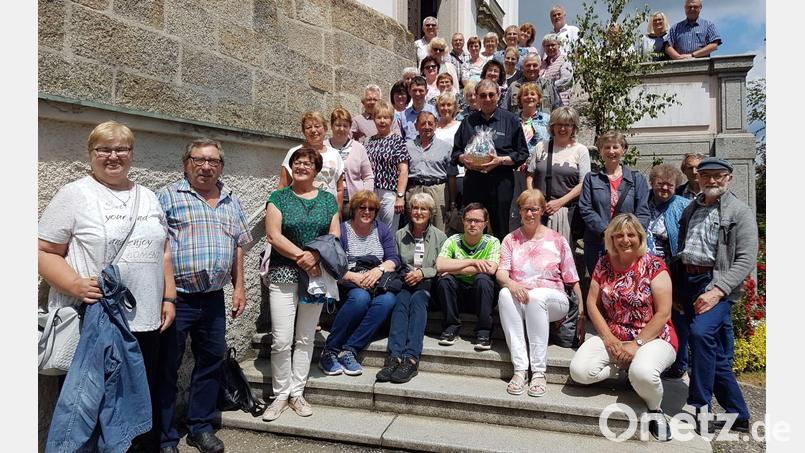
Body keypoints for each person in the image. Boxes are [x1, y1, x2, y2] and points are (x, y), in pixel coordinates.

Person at [39, 121, 175, 453]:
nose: (113, 156)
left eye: (121, 149)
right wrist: (73, 282)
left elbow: (164, 250)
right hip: (95, 322)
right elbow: (42, 250)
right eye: (103, 149)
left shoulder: (148, 197)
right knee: (89, 408)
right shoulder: (75, 194)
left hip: (145, 323)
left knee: (136, 405)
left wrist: (169, 296)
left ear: (131, 154)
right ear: (91, 154)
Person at [158, 138, 251, 453]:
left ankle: (200, 427)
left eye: (213, 161)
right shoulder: (168, 197)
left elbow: (238, 244)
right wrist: (166, 297)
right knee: (167, 366)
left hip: (213, 298)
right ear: (186, 162)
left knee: (211, 362)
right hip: (176, 299)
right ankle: (165, 436)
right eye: (199, 159)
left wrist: (239, 286)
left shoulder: (230, 199)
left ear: (221, 166)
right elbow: (156, 248)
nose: (206, 166)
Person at [570, 214, 677, 442]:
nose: (625, 239)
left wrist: (637, 345)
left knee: (643, 374)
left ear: (640, 237)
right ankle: (625, 369)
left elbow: (663, 313)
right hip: (616, 334)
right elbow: (592, 304)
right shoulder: (604, 263)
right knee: (579, 371)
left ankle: (655, 409)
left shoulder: (654, 265)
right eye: (619, 235)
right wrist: (609, 339)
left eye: (630, 234)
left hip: (653, 337)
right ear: (611, 238)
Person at [675, 157, 756, 435]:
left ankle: (699, 408)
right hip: (689, 280)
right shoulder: (691, 208)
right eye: (706, 175)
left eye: (718, 176)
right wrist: (677, 288)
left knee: (699, 336)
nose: (712, 180)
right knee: (716, 355)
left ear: (729, 178)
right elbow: (682, 247)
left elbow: (745, 259)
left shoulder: (739, 212)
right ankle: (739, 415)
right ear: (698, 177)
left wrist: (718, 290)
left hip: (716, 283)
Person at [261, 148, 341, 422]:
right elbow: (273, 235)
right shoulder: (278, 197)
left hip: (315, 277)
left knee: (306, 338)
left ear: (317, 169)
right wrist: (302, 257)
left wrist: (315, 256)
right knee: (282, 340)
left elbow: (334, 234)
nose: (302, 166)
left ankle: (297, 392)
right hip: (284, 273)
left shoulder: (329, 200)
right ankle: (280, 394)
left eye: (308, 163)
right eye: (297, 162)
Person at [497, 190, 582, 397]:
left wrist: (581, 313)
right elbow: (501, 272)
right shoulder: (510, 239)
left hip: (554, 300)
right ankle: (519, 369)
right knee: (504, 294)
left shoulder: (558, 240)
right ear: (519, 211)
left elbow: (573, 278)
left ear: (543, 210)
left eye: (534, 209)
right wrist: (511, 284)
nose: (530, 213)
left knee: (536, 297)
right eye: (525, 209)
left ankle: (538, 372)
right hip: (522, 298)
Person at [318, 190, 401, 376]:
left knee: (387, 301)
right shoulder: (342, 230)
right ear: (354, 209)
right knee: (360, 298)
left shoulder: (382, 229)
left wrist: (378, 270)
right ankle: (330, 350)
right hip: (349, 281)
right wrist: (353, 277)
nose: (367, 212)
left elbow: (394, 259)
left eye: (371, 208)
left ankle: (350, 350)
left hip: (376, 280)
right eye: (362, 207)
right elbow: (332, 265)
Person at [376, 193, 448, 384]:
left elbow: (442, 264)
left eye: (423, 209)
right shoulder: (399, 234)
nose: (418, 212)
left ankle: (411, 359)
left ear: (431, 213)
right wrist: (407, 274)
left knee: (418, 300)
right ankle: (394, 357)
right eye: (415, 208)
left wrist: (423, 273)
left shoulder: (440, 236)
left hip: (429, 286)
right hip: (406, 282)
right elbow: (395, 261)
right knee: (400, 302)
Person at [452, 79, 529, 240]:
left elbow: (522, 153)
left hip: (501, 182)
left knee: (500, 225)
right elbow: (455, 153)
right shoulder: (468, 122)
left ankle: (501, 260)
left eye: (491, 95)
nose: (487, 99)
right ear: (477, 98)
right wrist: (464, 159)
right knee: (473, 224)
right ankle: (474, 260)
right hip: (474, 182)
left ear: (499, 96)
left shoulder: (510, 120)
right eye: (483, 95)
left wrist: (500, 160)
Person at [578, 131, 651, 276]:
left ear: (623, 150)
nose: (611, 151)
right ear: (600, 151)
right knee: (599, 285)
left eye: (615, 147)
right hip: (597, 243)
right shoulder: (591, 179)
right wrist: (606, 232)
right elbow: (585, 208)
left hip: (627, 244)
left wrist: (628, 235)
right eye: (606, 147)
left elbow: (643, 212)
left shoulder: (637, 179)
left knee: (626, 285)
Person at [645, 164, 691, 380]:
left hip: (673, 268)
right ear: (652, 183)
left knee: (676, 315)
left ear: (676, 186)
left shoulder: (684, 206)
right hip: (644, 268)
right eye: (660, 183)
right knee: (649, 314)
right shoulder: (643, 202)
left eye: (669, 184)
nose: (664, 188)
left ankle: (679, 362)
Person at [436, 203, 501, 350]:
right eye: (468, 220)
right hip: (458, 295)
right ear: (463, 221)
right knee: (445, 280)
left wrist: (453, 268)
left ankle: (484, 332)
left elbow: (491, 269)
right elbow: (440, 266)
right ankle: (450, 328)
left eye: (477, 221)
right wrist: (473, 261)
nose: (472, 224)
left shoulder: (492, 241)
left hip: (481, 295)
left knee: (483, 279)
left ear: (485, 224)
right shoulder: (453, 240)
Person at [526, 106, 590, 246]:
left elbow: (583, 183)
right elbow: (530, 175)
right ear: (552, 126)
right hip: (540, 210)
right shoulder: (541, 147)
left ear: (574, 128)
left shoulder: (581, 150)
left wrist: (559, 202)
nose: (563, 129)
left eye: (567, 125)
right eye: (559, 124)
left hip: (567, 212)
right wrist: (533, 198)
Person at [278, 111, 345, 207]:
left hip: (328, 210)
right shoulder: (295, 152)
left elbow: (339, 189)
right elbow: (283, 185)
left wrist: (338, 212)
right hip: (299, 208)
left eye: (317, 126)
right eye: (308, 127)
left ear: (325, 129)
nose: (313, 130)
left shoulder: (335, 154)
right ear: (304, 132)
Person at [406, 109, 457, 232]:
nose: (427, 127)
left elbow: (452, 176)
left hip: (437, 190)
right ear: (416, 126)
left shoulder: (446, 147)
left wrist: (452, 202)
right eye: (423, 123)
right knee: (414, 228)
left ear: (436, 125)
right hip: (414, 189)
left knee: (439, 229)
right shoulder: (407, 146)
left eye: (430, 123)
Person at [510, 82, 551, 231]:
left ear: (539, 98)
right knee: (517, 208)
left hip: (538, 170)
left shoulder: (547, 119)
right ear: (520, 99)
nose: (529, 97)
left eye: (532, 94)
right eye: (525, 94)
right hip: (517, 170)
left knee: (535, 206)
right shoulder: (513, 120)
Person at [365, 100, 410, 230]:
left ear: (391, 119)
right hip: (371, 193)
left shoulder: (397, 141)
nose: (382, 121)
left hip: (389, 195)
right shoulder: (369, 141)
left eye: (386, 117)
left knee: (389, 233)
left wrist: (400, 197)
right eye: (379, 117)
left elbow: (403, 171)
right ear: (374, 119)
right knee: (370, 231)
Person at [325, 107, 374, 219]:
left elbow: (368, 176)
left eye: (345, 126)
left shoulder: (359, 148)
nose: (341, 129)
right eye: (338, 125)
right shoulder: (323, 147)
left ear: (350, 127)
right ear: (331, 126)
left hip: (353, 201)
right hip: (329, 200)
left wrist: (365, 197)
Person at [435, 92, 464, 220]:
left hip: (459, 175)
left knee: (457, 215)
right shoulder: (433, 127)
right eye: (442, 105)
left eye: (449, 105)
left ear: (454, 107)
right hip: (439, 177)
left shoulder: (461, 126)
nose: (445, 108)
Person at [400, 76, 439, 142]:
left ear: (426, 91)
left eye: (421, 91)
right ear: (409, 91)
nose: (417, 94)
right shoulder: (403, 115)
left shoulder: (435, 112)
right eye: (414, 90)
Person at [540, 33, 574, 107]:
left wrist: (545, 88)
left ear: (558, 45)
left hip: (560, 102)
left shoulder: (565, 60)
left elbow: (565, 80)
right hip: (544, 103)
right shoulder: (542, 63)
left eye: (553, 45)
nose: (550, 47)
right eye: (547, 46)